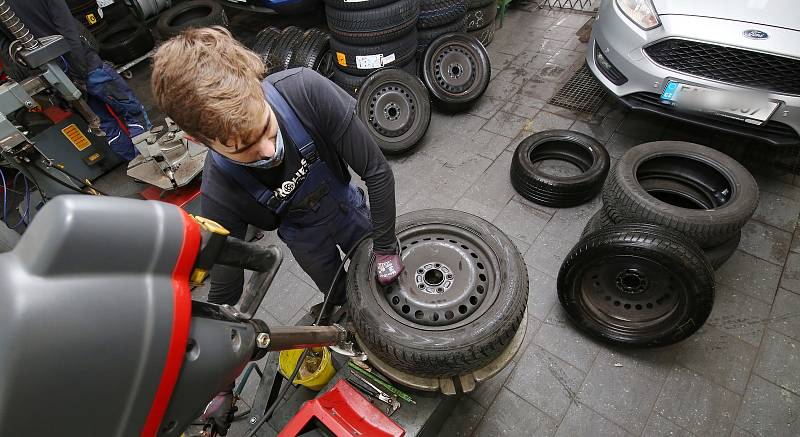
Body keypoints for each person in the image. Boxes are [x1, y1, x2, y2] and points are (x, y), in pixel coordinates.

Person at [151, 27, 404, 318]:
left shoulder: (306, 92)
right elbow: (225, 291)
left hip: (349, 211)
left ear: (255, 84)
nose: (269, 150)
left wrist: (385, 248)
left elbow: (376, 171)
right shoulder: (220, 190)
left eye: (266, 129)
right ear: (197, 140)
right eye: (245, 146)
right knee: (343, 298)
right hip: (305, 240)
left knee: (382, 275)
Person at [1, 0, 150, 161]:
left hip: (59, 78)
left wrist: (50, 76)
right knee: (132, 112)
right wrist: (79, 70)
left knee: (105, 124)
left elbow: (10, 54)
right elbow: (68, 29)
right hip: (87, 68)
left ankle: (136, 163)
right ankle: (150, 158)